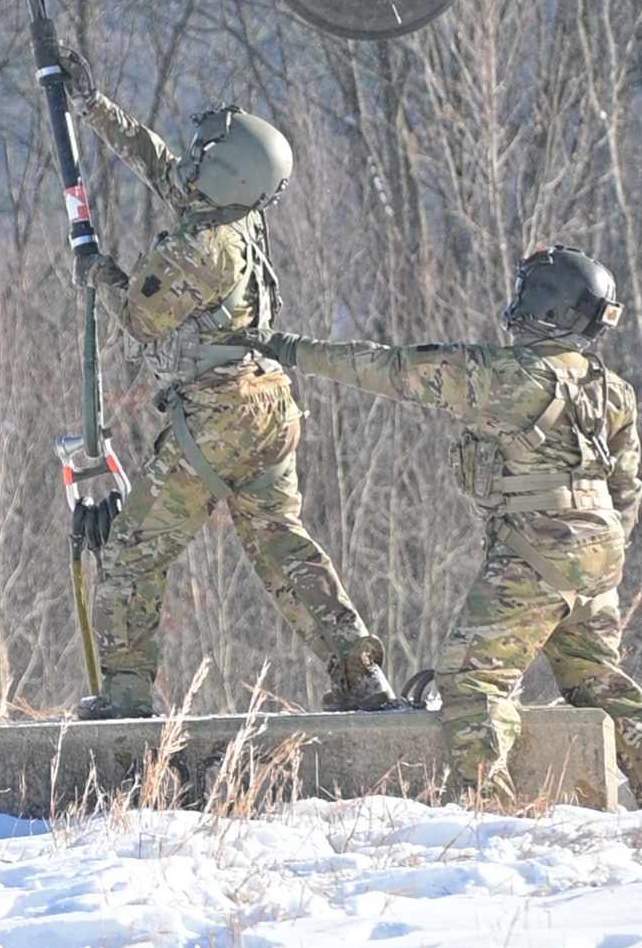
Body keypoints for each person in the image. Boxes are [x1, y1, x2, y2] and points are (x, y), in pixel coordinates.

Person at [58, 50, 400, 722]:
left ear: (223, 170)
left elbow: (140, 319)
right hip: (269, 404)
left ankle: (127, 692)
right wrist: (94, 106)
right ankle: (362, 676)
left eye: (205, 151)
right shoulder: (240, 212)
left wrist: (101, 273)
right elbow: (160, 166)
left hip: (217, 419)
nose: (190, 158)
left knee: (135, 546)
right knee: (282, 545)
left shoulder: (198, 247)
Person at [257, 244, 642, 803]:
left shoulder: (502, 375)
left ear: (546, 307)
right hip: (600, 553)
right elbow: (628, 490)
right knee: (596, 678)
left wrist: (289, 349)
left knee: (473, 683)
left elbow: (385, 369)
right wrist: (596, 554)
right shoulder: (614, 390)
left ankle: (495, 811)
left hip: (537, 550)